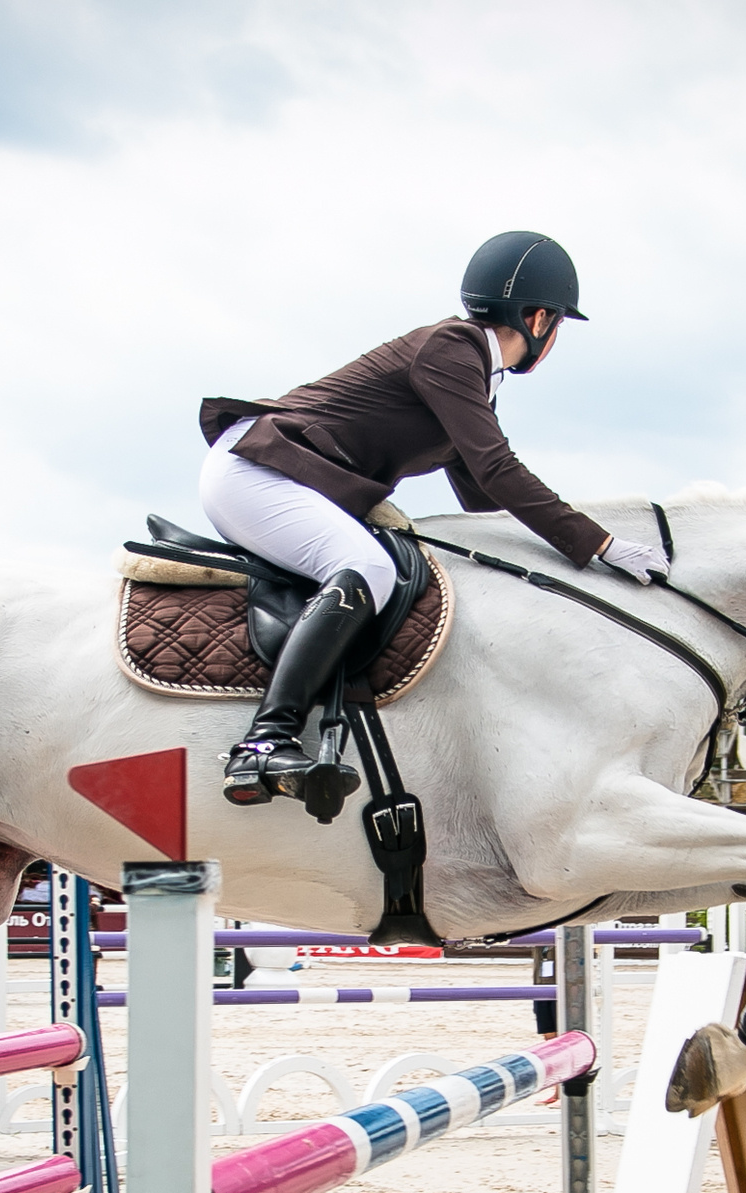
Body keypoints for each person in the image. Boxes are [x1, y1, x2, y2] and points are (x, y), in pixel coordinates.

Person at [199, 231, 665, 806]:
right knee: (366, 566)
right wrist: (602, 543)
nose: (555, 337)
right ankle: (264, 744)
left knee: (386, 562)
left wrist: (578, 560)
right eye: (560, 325)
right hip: (258, 470)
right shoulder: (453, 348)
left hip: (278, 474)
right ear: (540, 318)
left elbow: (484, 501)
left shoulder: (473, 375)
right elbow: (497, 470)